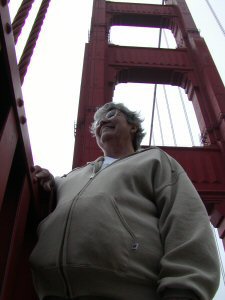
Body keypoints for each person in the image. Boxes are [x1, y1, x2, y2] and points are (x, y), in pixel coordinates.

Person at [30, 102, 220, 300]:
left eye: (111, 114)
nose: (102, 121)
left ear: (133, 126)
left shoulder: (155, 160)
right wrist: (47, 182)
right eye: (96, 122)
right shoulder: (70, 177)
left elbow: (186, 220)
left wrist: (183, 292)